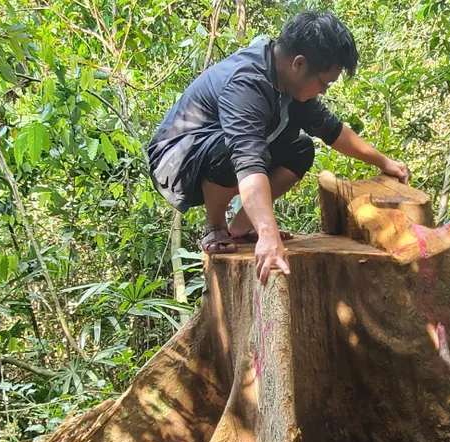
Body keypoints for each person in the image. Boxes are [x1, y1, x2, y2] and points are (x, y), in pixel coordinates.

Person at [148, 12, 410, 283]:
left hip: (222, 153)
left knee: (301, 148)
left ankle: (242, 226)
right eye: (324, 83)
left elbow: (332, 130)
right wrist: (268, 235)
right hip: (177, 162)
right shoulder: (248, 82)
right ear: (299, 64)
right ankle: (215, 225)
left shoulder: (288, 82)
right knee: (232, 150)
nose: (324, 91)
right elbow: (247, 159)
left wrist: (384, 163)